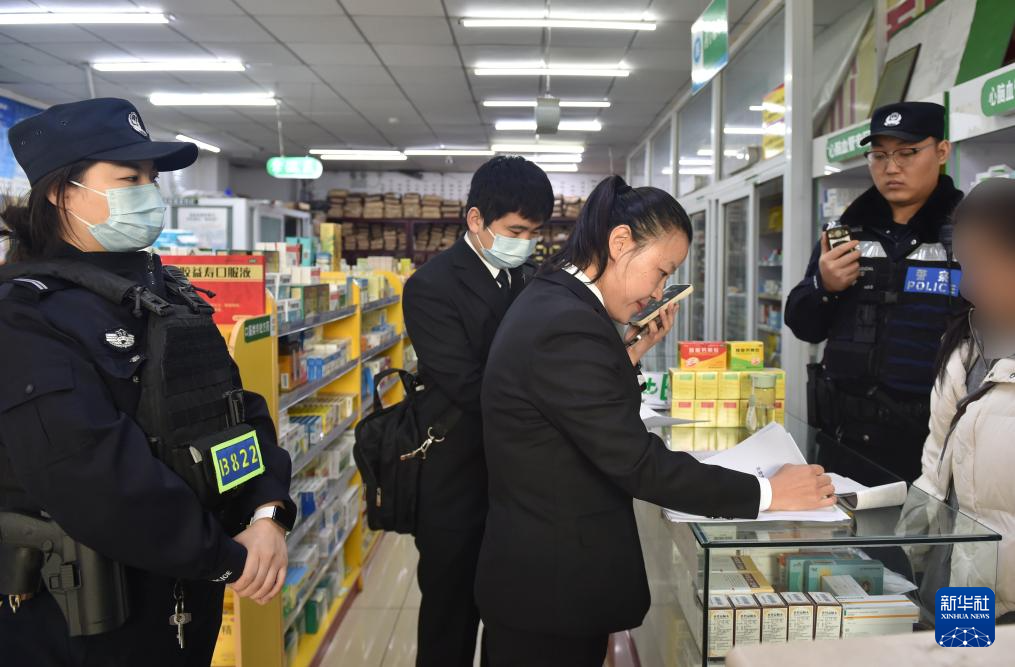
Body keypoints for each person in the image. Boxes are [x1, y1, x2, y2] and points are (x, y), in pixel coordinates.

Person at [475, 175, 834, 667]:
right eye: (662, 272)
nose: (660, 291)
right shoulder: (566, 323)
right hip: (550, 594)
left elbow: (568, 407)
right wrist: (768, 492)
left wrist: (628, 354)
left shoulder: (559, 299)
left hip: (545, 579)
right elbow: (637, 462)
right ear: (620, 242)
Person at [0, 98, 297, 667]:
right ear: (62, 192)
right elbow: (94, 477)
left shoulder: (165, 293)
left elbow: (239, 412)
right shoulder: (27, 317)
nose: (148, 192)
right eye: (128, 178)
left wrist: (267, 512)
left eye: (151, 179)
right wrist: (228, 559)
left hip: (185, 602)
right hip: (87, 624)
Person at [402, 156, 554, 667]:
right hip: (457, 479)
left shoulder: (531, 279)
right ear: (475, 219)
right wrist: (553, 401)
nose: (525, 242)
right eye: (515, 230)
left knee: (511, 619)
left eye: (534, 232)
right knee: (450, 619)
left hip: (519, 484)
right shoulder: (431, 286)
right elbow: (468, 385)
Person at [785, 101, 965, 483]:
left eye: (907, 153)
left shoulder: (968, 231)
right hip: (845, 438)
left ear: (942, 151)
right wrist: (823, 286)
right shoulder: (846, 231)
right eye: (879, 155)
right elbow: (802, 323)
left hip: (935, 443)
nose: (891, 167)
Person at [913, 178, 1015, 620]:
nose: (967, 286)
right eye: (962, 265)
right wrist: (907, 557)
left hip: (1008, 610)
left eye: (981, 265)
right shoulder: (965, 344)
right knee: (954, 654)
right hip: (958, 591)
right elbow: (935, 472)